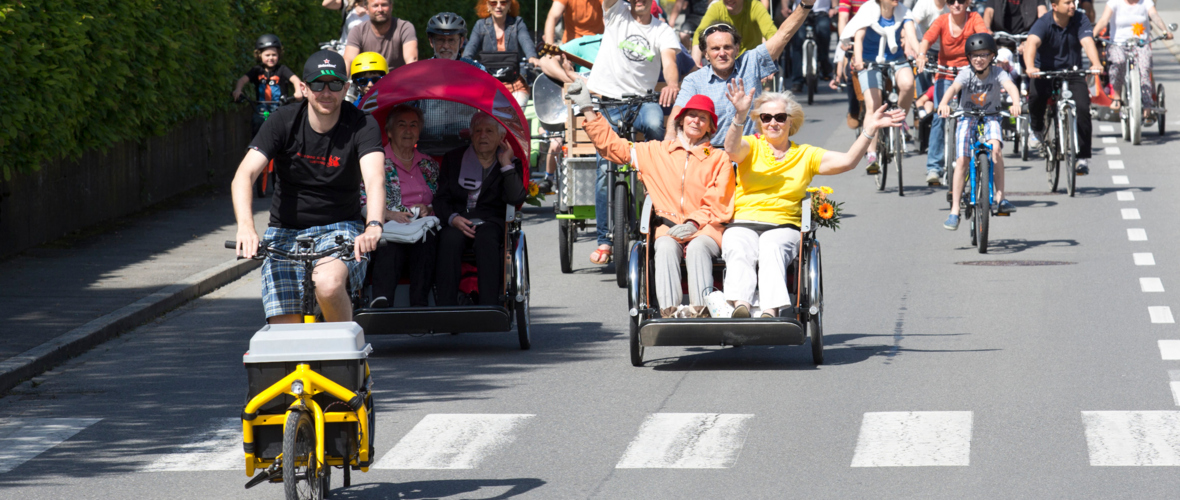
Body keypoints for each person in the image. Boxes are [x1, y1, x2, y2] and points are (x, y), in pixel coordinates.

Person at [721, 84, 904, 317]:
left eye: (780, 117)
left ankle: (770, 311)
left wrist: (870, 129)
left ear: (790, 121)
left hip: (782, 224)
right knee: (736, 243)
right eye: (766, 117)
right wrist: (739, 115)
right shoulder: (751, 145)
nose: (773, 123)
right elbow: (731, 149)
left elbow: (847, 161)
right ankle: (741, 307)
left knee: (771, 246)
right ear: (760, 121)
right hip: (744, 220)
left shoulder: (805, 154)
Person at [231, 51, 385, 324]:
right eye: (317, 84)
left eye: (335, 84)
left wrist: (373, 225)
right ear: (303, 87)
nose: (326, 92)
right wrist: (246, 226)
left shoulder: (362, 124)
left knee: (328, 284)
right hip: (285, 232)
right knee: (284, 332)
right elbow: (244, 175)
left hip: (340, 228)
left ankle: (345, 357)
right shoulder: (282, 120)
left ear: (346, 88)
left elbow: (374, 179)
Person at [570, 84, 734, 318]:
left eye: (703, 118)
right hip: (667, 226)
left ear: (710, 126)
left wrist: (694, 223)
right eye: (691, 116)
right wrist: (587, 109)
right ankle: (670, 311)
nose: (696, 121)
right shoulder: (656, 151)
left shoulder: (719, 158)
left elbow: (719, 200)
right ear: (680, 120)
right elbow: (614, 148)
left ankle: (701, 310)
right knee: (665, 246)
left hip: (706, 228)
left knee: (697, 248)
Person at [585, 0, 682, 265]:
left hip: (642, 102)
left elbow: (669, 60)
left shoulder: (662, 30)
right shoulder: (616, 13)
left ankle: (654, 173)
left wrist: (672, 83)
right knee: (604, 171)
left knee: (654, 124)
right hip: (607, 102)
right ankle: (605, 240)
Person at [672, 1, 815, 149]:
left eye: (727, 47)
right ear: (706, 54)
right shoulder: (694, 80)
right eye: (715, 49)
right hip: (710, 154)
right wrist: (669, 144)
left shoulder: (750, 62)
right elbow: (677, 115)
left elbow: (782, 35)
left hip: (749, 151)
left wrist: (805, 5)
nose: (722, 53)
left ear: (736, 49)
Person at [433, 112, 528, 306]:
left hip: (490, 222)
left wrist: (505, 164)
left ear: (501, 138)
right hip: (458, 220)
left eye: (489, 131)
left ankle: (489, 304)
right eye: (478, 131)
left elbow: (516, 198)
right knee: (449, 239)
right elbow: (441, 198)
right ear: (471, 134)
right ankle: (445, 306)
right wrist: (453, 218)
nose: (482, 135)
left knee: (487, 239)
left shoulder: (510, 163)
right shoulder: (453, 159)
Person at [937, 33, 1021, 230]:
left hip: (991, 116)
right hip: (967, 116)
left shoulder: (998, 73)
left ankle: (1001, 198)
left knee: (996, 150)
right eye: (974, 55)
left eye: (984, 54)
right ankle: (955, 211)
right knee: (962, 160)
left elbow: (1010, 86)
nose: (979, 59)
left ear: (992, 56)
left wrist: (1016, 102)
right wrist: (943, 103)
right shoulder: (966, 73)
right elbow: (953, 88)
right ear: (968, 57)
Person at [363, 105, 440, 308]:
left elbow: (442, 198)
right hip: (388, 224)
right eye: (401, 124)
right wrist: (386, 213)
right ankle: (382, 300)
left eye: (413, 125)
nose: (408, 130)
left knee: (427, 239)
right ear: (389, 131)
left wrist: (428, 209)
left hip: (421, 226)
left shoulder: (428, 164)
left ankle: (419, 304)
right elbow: (361, 200)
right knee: (390, 244)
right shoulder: (375, 162)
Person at [1024, 0, 1102, 175]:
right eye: (1067, 3)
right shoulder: (1044, 22)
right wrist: (1030, 66)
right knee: (1036, 95)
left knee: (1083, 107)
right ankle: (1036, 129)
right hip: (1045, 71)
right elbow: (1031, 43)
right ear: (1054, 5)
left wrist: (1095, 63)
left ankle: (1082, 157)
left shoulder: (1080, 19)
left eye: (1073, 2)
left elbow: (1087, 42)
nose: (1072, 6)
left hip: (1072, 72)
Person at [916, 0, 989, 185]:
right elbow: (927, 39)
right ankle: (933, 167)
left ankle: (976, 156)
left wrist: (986, 55)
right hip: (946, 73)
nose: (956, 4)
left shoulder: (974, 18)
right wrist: (922, 55)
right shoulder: (942, 20)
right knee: (940, 116)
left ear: (967, 3)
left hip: (969, 73)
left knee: (973, 114)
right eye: (951, 1)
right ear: (947, 4)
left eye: (961, 1)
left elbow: (984, 35)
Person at [849, 0, 919, 174]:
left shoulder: (903, 12)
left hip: (896, 59)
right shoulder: (868, 10)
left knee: (908, 83)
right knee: (873, 105)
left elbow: (912, 36)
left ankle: (899, 118)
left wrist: (920, 54)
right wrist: (858, 60)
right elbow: (858, 37)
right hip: (869, 62)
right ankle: (871, 153)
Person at [1094, 0, 1172, 123]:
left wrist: (1164, 30)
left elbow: (1154, 16)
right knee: (1118, 62)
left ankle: (1147, 105)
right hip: (1118, 43)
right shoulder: (1114, 3)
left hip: (1140, 43)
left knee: (1145, 68)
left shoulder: (1146, 3)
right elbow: (1104, 20)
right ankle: (1117, 96)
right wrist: (1093, 34)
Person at [464, 0, 542, 107]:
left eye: (503, 2)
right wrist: (464, 63)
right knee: (489, 120)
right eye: (493, 3)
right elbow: (470, 49)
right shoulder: (480, 25)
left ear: (509, 5)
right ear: (487, 5)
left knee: (514, 118)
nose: (499, 6)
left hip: (517, 86)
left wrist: (532, 57)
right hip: (488, 88)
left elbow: (526, 41)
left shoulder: (517, 23)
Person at [232, 35, 305, 136]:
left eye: (274, 55)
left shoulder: (282, 69)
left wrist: (298, 91)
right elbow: (242, 80)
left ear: (279, 55)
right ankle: (255, 147)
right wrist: (238, 90)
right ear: (259, 55)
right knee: (258, 121)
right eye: (267, 55)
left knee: (286, 126)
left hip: (280, 106)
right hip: (262, 106)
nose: (271, 58)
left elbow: (295, 80)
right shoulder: (257, 70)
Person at [691, 0, 778, 65]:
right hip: (725, 62)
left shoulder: (754, 6)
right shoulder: (716, 7)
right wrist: (695, 62)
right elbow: (699, 33)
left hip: (751, 63)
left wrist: (770, 60)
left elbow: (771, 33)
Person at [343, 0, 417, 71]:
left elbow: (411, 59)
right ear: (366, 9)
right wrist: (342, 82)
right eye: (375, 6)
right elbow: (349, 60)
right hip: (368, 81)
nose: (380, 9)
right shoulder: (358, 31)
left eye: (384, 5)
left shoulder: (404, 28)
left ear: (391, 6)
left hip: (397, 80)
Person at [785, 0, 837, 91]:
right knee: (797, 41)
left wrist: (834, 7)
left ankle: (824, 64)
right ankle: (797, 81)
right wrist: (785, 7)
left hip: (821, 12)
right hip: (800, 11)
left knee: (824, 32)